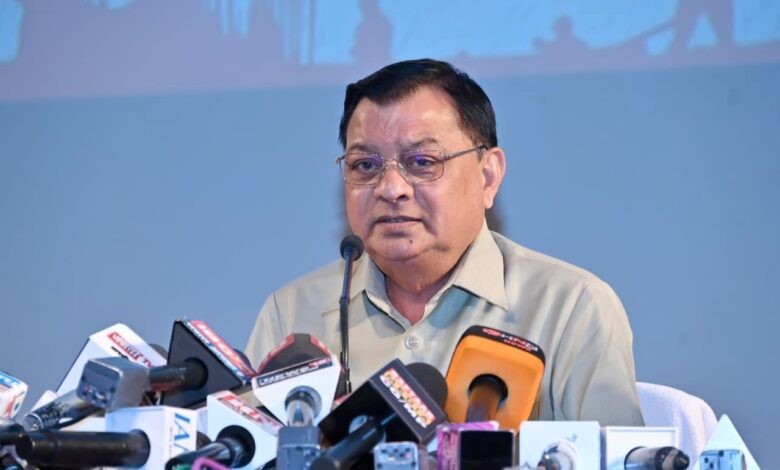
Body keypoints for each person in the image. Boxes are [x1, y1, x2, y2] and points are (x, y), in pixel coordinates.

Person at [246, 58, 644, 425]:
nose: (391, 188)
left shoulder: (571, 308)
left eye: (422, 162)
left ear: (488, 176)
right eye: (365, 165)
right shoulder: (292, 313)